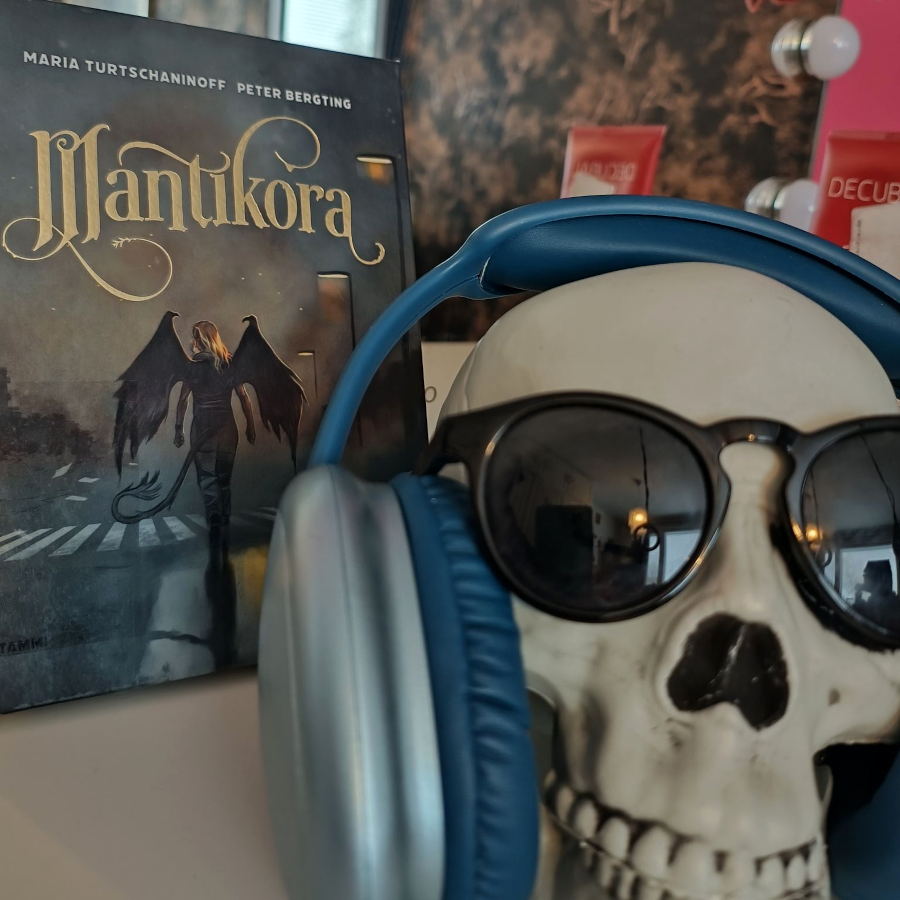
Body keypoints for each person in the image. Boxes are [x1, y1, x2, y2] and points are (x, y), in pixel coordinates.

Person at [174, 320, 256, 529]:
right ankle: (225, 518)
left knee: (207, 477)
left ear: (199, 340)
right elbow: (244, 397)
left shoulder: (193, 366)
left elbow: (183, 399)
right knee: (224, 478)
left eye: (194, 336)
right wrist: (251, 426)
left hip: (202, 426)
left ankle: (214, 517)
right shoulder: (229, 363)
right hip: (227, 428)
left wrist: (178, 429)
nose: (192, 340)